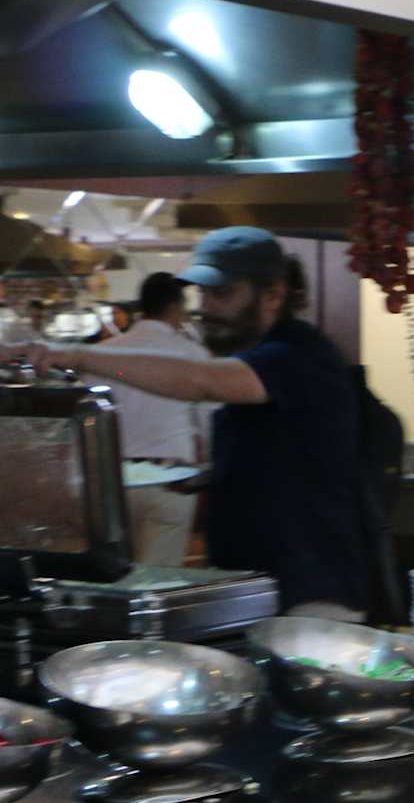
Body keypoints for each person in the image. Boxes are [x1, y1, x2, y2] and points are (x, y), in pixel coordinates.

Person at [17, 227, 369, 616]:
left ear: (273, 294)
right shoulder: (255, 357)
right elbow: (283, 456)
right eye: (202, 293)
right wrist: (206, 478)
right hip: (259, 586)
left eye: (222, 294)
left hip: (310, 594)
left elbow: (201, 382)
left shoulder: (298, 353)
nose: (206, 307)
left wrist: (78, 356)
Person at [90, 272, 211, 565]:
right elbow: (208, 420)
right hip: (171, 481)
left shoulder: (102, 355)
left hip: (112, 484)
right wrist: (207, 470)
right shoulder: (193, 354)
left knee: (113, 574)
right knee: (158, 579)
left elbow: (89, 419)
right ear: (175, 307)